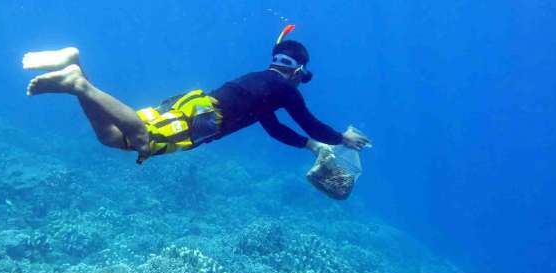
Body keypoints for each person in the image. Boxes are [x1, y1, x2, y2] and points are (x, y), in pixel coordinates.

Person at [23, 25, 370, 164]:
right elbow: (308, 122)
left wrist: (311, 147)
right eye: (302, 77)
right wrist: (342, 138)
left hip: (194, 104)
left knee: (112, 138)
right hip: (204, 120)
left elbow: (273, 127)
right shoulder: (285, 89)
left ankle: (75, 70)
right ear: (297, 72)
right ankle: (81, 84)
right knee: (141, 138)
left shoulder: (263, 83)